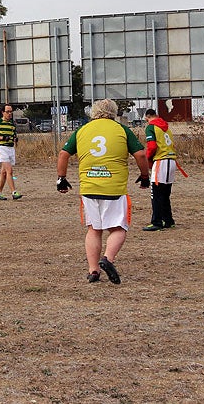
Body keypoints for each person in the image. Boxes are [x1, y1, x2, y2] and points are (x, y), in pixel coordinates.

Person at [56, 98, 152, 284]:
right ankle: (107, 258)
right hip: (114, 188)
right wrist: (144, 176)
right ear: (113, 113)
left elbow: (63, 154)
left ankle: (93, 271)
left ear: (93, 112)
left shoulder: (82, 130)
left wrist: (62, 178)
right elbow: (140, 154)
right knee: (118, 228)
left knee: (94, 229)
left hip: (89, 187)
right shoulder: (121, 130)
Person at [141, 108, 187, 231]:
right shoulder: (166, 127)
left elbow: (151, 146)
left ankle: (156, 222)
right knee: (165, 193)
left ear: (147, 117)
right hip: (171, 161)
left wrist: (147, 159)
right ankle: (168, 220)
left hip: (161, 161)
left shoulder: (151, 127)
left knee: (155, 193)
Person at [0, 105, 22, 200]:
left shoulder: (12, 124)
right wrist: (3, 138)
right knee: (9, 171)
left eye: (11, 112)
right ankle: (14, 192)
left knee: (3, 173)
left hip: (10, 149)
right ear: (3, 112)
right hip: (2, 148)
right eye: (7, 112)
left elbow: (14, 134)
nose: (9, 114)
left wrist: (15, 139)